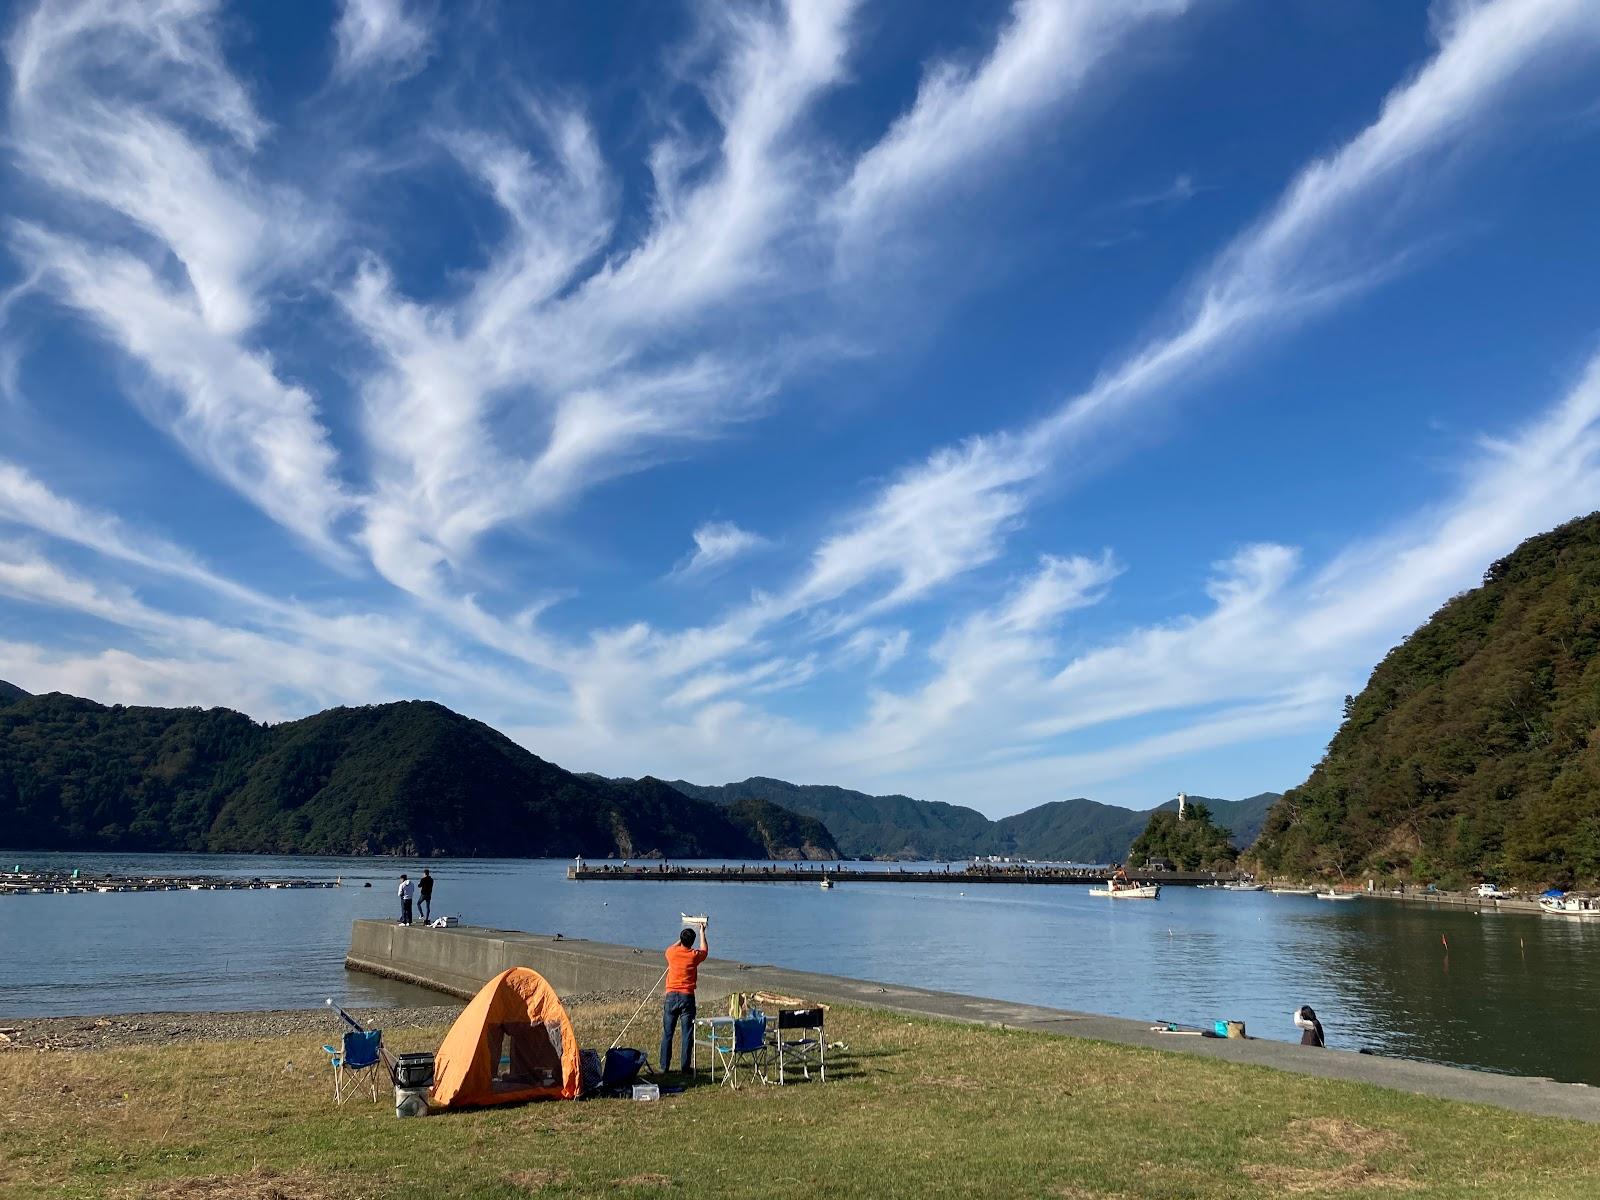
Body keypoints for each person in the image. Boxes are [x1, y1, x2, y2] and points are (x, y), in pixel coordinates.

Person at [660, 922, 709, 1075]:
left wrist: (680, 939)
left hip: (671, 996)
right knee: (687, 1033)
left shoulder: (671, 952)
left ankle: (664, 1067)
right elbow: (705, 950)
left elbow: (670, 948)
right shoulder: (694, 955)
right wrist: (702, 932)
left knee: (668, 1033)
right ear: (692, 942)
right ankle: (685, 1067)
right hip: (687, 996)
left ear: (681, 940)